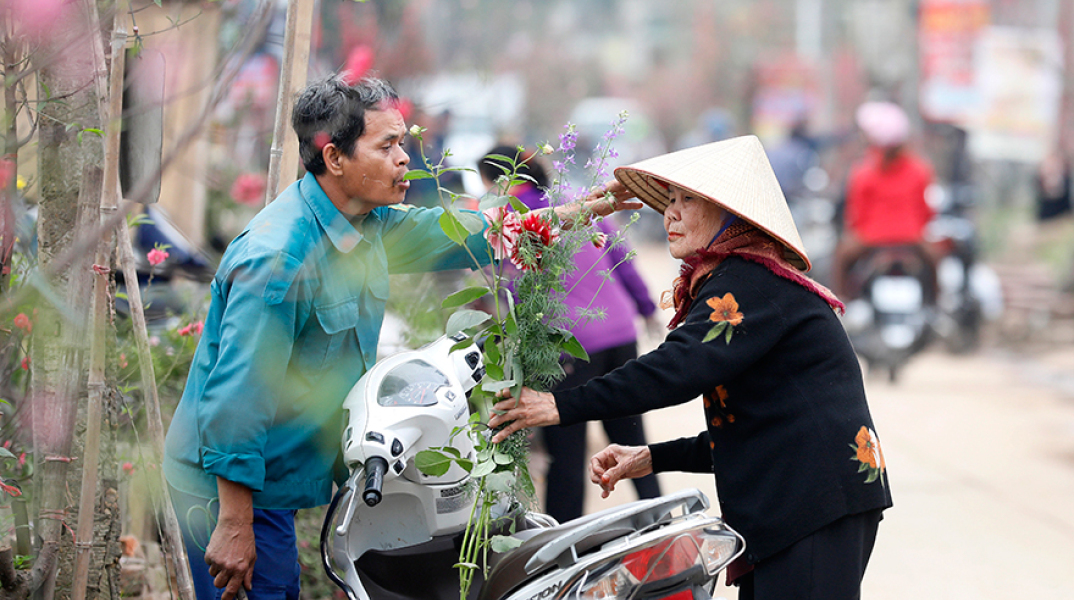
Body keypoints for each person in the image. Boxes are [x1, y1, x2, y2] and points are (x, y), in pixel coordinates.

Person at [162, 76, 640, 600]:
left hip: (275, 481)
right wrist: (234, 522)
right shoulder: (279, 259)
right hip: (230, 491)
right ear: (334, 158)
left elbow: (479, 232)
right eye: (386, 146)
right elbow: (238, 397)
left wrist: (590, 208)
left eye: (402, 144)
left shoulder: (369, 226)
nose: (404, 158)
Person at [487, 135, 892, 600]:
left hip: (818, 498)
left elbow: (673, 370)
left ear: (729, 213)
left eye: (689, 201)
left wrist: (559, 405)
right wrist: (650, 458)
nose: (671, 214)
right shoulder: (733, 279)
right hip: (795, 498)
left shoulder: (749, 282)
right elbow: (751, 426)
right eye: (670, 200)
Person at [479, 146, 662, 522]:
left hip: (568, 348)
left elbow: (515, 292)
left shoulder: (512, 221)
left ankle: (563, 545)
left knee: (567, 452)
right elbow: (623, 263)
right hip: (620, 335)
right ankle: (662, 519)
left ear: (501, 183)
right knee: (631, 437)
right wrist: (646, 309)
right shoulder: (582, 207)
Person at [833, 101, 935, 299]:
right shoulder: (920, 170)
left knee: (840, 257)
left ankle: (840, 302)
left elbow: (856, 215)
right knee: (935, 261)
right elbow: (926, 211)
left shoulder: (863, 172)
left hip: (870, 239)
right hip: (912, 239)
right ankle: (936, 304)